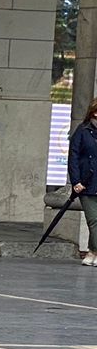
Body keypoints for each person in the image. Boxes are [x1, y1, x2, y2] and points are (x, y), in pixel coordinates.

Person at [71, 99, 97, 267]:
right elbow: (73, 156)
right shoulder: (82, 131)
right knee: (93, 219)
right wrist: (76, 181)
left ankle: (92, 252)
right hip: (87, 183)